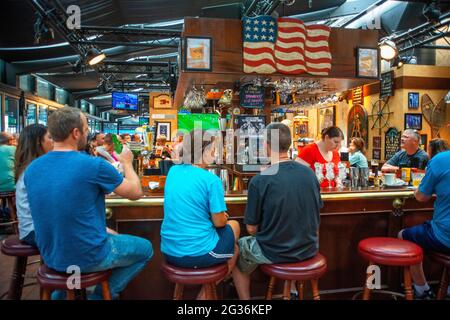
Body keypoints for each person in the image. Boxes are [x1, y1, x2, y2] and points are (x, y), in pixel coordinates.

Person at [24, 106, 153, 300]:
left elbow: (60, 207)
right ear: (75, 133)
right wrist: (127, 163)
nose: (88, 133)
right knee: (145, 249)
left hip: (51, 255)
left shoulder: (32, 168)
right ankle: (100, 295)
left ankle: (63, 294)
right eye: (86, 129)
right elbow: (135, 193)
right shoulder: (93, 165)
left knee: (76, 260)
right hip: (89, 254)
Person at [232, 123, 322, 300]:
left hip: (275, 252)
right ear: (288, 144)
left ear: (266, 145)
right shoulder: (310, 174)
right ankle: (292, 290)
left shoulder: (260, 180)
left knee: (236, 251)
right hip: (308, 249)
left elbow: (251, 229)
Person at [161, 129, 240, 299]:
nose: (214, 153)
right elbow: (219, 222)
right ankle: (204, 296)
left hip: (169, 251)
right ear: (203, 151)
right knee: (235, 230)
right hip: (199, 253)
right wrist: (222, 217)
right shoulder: (211, 180)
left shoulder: (172, 172)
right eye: (213, 149)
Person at [398, 149, 450, 299]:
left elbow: (421, 197)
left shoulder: (441, 159)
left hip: (444, 236)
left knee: (404, 236)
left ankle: (422, 290)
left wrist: (417, 190)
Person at [14, 124, 53, 246]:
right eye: (50, 137)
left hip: (33, 228)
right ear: (38, 142)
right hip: (34, 231)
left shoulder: (31, 166)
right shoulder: (35, 169)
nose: (54, 141)